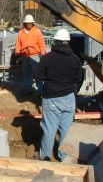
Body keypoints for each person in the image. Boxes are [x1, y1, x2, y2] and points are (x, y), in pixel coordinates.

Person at [34, 28, 83, 161]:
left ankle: (45, 157)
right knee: (66, 130)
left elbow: (38, 77)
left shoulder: (47, 59)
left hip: (52, 98)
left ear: (55, 42)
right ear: (68, 42)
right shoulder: (75, 59)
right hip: (69, 99)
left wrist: (42, 90)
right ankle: (64, 157)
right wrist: (74, 91)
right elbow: (79, 79)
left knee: (49, 129)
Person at [15, 14, 46, 95]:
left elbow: (42, 44)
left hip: (35, 56)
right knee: (27, 74)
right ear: (25, 23)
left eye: (30, 23)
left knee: (38, 74)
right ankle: (28, 90)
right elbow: (18, 45)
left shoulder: (37, 32)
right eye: (27, 23)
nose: (29, 24)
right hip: (24, 57)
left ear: (33, 23)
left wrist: (43, 56)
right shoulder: (20, 33)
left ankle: (40, 91)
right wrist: (17, 56)